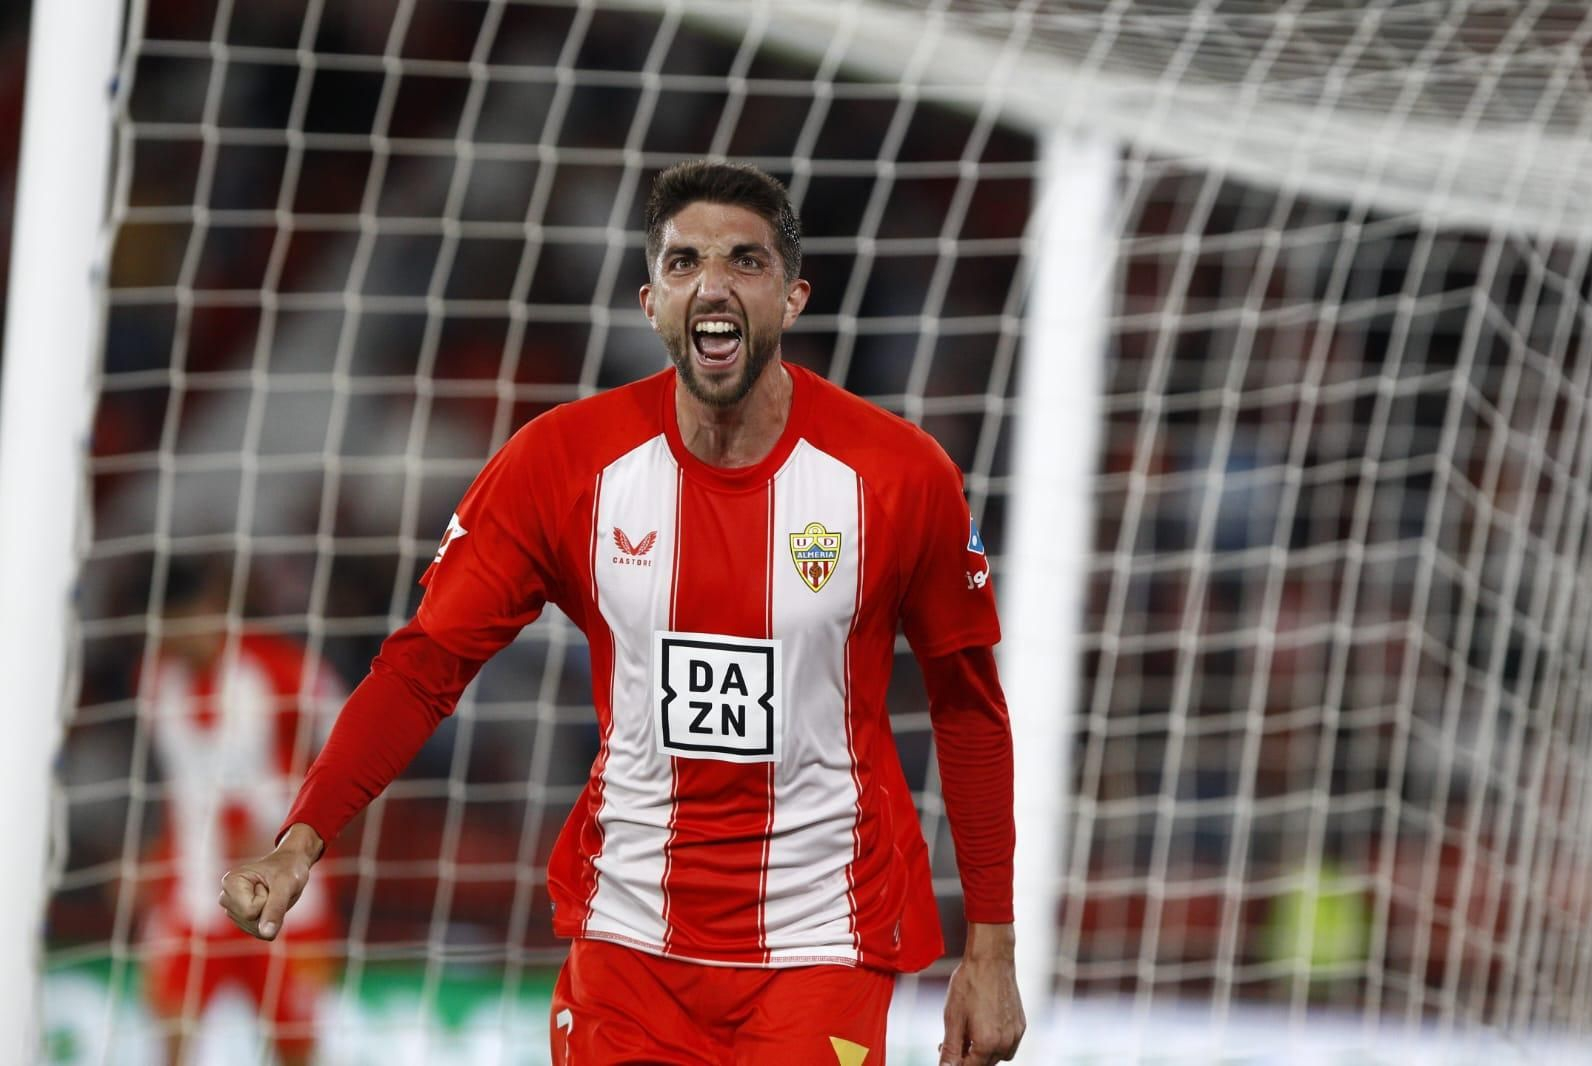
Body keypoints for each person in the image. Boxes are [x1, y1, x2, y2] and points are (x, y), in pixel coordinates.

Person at [219, 160, 1025, 1066]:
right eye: (684, 264)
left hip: (821, 941)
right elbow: (423, 667)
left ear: (794, 297)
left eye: (745, 262)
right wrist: (300, 841)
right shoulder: (562, 465)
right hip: (628, 940)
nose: (712, 285)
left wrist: (991, 947)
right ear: (651, 301)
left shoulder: (898, 476)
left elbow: (968, 707)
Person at [141, 557, 342, 1065]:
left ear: (214, 608)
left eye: (194, 617)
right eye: (173, 624)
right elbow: (181, 790)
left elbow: (352, 742)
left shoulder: (281, 668)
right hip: (192, 896)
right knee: (172, 1034)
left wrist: (301, 832)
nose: (187, 635)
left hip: (283, 895)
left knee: (295, 1046)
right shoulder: (155, 683)